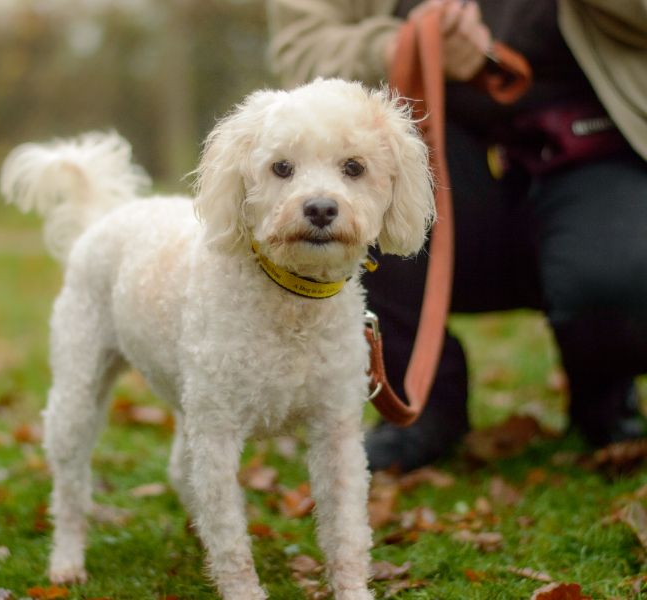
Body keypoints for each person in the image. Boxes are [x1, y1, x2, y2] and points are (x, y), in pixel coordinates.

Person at [266, 0, 647, 471]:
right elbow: (299, 49)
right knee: (366, 195)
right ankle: (424, 407)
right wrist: (398, 45)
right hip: (436, 146)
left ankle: (604, 393)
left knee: (617, 275)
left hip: (595, 146)